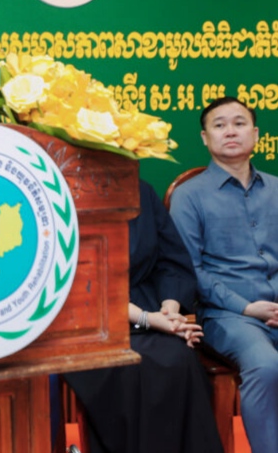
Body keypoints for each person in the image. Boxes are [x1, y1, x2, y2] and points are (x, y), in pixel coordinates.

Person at [63, 179, 224, 453]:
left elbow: (171, 260)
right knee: (130, 369)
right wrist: (147, 318)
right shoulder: (63, 192)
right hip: (89, 320)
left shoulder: (140, 190)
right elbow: (78, 279)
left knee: (179, 360)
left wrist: (170, 311)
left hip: (148, 307)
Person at [169, 96, 278, 453]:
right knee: (266, 365)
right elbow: (189, 270)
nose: (230, 131)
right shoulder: (189, 196)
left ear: (256, 134)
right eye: (219, 125)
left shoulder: (277, 189)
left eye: (239, 123)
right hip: (227, 315)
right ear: (205, 138)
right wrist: (247, 308)